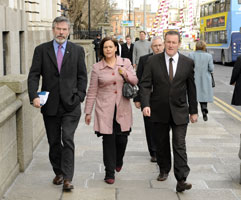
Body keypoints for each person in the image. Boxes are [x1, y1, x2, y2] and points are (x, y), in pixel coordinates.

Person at [27, 16, 87, 191]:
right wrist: (34, 96)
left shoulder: (77, 50)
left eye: (64, 29)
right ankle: (59, 172)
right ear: (53, 30)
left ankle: (68, 178)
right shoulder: (41, 50)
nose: (61, 32)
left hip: (71, 104)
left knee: (67, 139)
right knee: (54, 141)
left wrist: (80, 96)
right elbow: (33, 75)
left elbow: (82, 76)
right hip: (50, 104)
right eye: (58, 29)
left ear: (69, 31)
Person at [140, 31, 198, 192]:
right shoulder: (152, 61)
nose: (171, 45)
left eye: (174, 42)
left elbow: (191, 88)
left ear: (179, 43)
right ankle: (164, 169)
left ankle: (181, 179)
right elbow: (145, 85)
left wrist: (194, 111)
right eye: (168, 42)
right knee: (162, 143)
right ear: (164, 43)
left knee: (179, 144)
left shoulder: (187, 62)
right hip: (158, 110)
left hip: (180, 110)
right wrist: (145, 103)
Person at [84, 37, 138, 184]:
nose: (108, 49)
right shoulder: (97, 67)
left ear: (115, 48)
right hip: (104, 109)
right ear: (102, 50)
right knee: (108, 140)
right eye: (105, 47)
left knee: (122, 139)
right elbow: (92, 91)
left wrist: (125, 74)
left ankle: (118, 160)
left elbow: (135, 80)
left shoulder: (125, 63)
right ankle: (109, 172)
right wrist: (88, 112)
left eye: (110, 47)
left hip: (122, 107)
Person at [134, 36, 164, 162]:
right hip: (148, 98)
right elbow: (138, 80)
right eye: (155, 46)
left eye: (159, 45)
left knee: (162, 127)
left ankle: (162, 150)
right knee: (150, 126)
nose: (157, 48)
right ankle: (153, 152)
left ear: (163, 46)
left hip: (163, 99)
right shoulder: (144, 60)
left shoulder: (168, 60)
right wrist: (137, 98)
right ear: (151, 47)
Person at [189, 40, 214, 121]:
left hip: (194, 78)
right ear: (204, 47)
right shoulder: (208, 56)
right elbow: (211, 68)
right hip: (205, 79)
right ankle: (204, 109)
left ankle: (194, 113)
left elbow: (188, 67)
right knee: (203, 95)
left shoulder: (191, 55)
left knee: (194, 96)